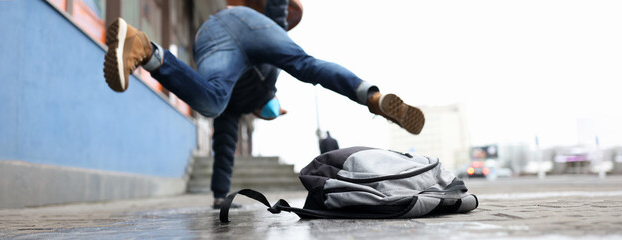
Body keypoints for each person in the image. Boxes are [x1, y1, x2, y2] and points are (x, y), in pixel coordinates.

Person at [102, 0, 425, 209]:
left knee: (214, 104)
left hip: (213, 32)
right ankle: (370, 96)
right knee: (305, 65)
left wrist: (219, 197)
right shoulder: (264, 91)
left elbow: (224, 147)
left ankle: (145, 49)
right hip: (247, 26)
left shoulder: (229, 101)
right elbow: (276, 15)